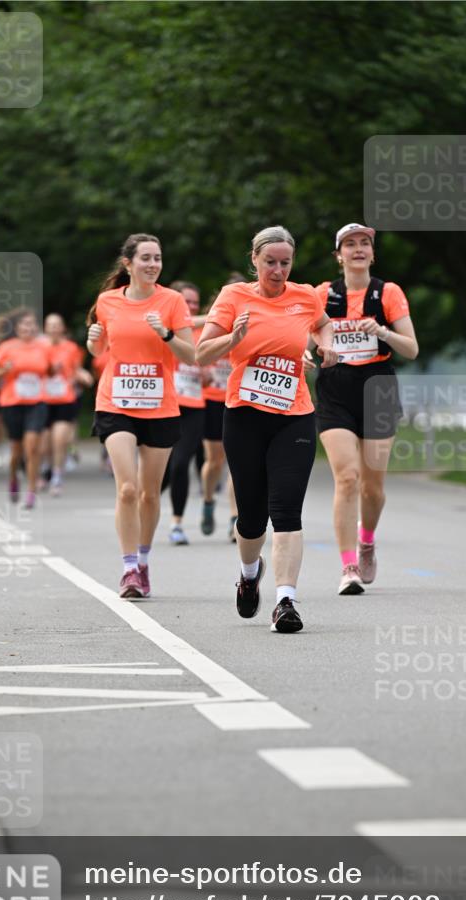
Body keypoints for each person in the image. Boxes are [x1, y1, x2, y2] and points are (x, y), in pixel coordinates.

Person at [197, 226, 337, 633]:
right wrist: (232, 338)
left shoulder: (305, 295)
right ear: (254, 260)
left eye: (285, 263)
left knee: (287, 511)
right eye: (270, 262)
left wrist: (326, 345)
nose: (277, 270)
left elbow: (323, 324)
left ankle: (286, 601)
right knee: (252, 517)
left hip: (294, 415)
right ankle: (247, 573)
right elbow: (203, 352)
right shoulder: (233, 297)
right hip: (244, 415)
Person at [86, 233, 195, 599]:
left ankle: (144, 561)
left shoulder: (172, 301)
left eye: (157, 258)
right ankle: (129, 567)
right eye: (145, 258)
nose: (152, 264)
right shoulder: (107, 302)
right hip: (115, 402)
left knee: (150, 494)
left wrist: (165, 334)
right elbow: (99, 348)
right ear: (128, 264)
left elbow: (190, 355)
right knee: (128, 488)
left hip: (160, 405)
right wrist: (93, 338)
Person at [315, 223, 419, 594]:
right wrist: (311, 350)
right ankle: (348, 568)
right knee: (347, 477)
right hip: (336, 390)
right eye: (350, 244)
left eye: (364, 244)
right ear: (338, 255)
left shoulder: (387, 292)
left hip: (378, 390)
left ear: (373, 253)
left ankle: (367, 540)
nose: (358, 249)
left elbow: (411, 348)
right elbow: (303, 334)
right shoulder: (322, 294)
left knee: (373, 489)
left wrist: (383, 332)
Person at [0, 308, 51, 509]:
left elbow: (49, 370)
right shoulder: (7, 347)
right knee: (17, 451)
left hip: (36, 403)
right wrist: (3, 370)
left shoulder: (43, 347)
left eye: (31, 325)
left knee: (33, 448)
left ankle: (31, 492)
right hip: (12, 403)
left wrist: (54, 370)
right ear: (17, 328)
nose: (28, 328)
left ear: (36, 328)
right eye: (24, 325)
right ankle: (13, 477)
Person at [199, 272, 244, 542]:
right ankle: (207, 500)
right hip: (213, 400)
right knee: (215, 461)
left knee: (236, 464)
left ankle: (235, 519)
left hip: (241, 399)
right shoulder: (211, 325)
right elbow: (196, 356)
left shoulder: (252, 321)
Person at [162, 281, 206, 545]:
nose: (190, 307)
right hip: (166, 406)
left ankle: (176, 523)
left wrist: (207, 371)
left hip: (194, 408)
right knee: (161, 472)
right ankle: (146, 504)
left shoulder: (203, 333)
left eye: (194, 303)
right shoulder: (166, 329)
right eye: (185, 301)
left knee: (181, 465)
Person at [40, 313, 93, 496]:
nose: (54, 328)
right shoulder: (39, 347)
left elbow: (75, 369)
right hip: (43, 400)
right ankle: (46, 468)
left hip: (64, 399)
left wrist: (83, 375)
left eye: (57, 325)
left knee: (59, 439)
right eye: (50, 325)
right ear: (45, 328)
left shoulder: (71, 348)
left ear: (62, 328)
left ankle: (56, 476)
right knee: (44, 444)